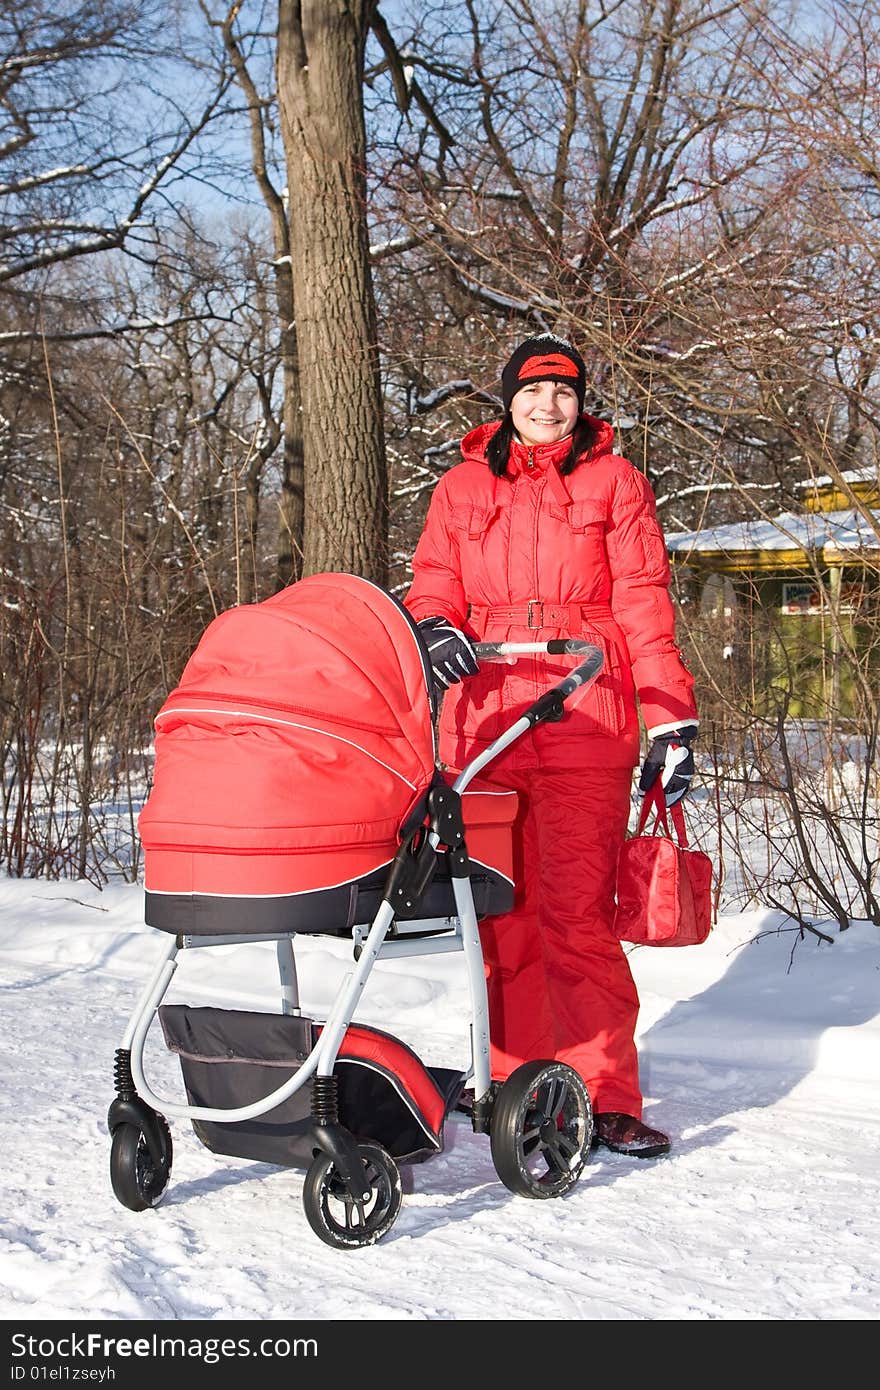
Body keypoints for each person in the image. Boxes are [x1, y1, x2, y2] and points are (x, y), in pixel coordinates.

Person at [403, 334, 698, 1158]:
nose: (547, 405)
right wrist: (432, 630)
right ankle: (517, 1084)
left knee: (576, 914)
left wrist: (668, 714)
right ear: (507, 400)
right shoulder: (462, 486)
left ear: (581, 403)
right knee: (501, 915)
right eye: (533, 391)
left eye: (563, 392)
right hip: (487, 719)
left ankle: (605, 1094)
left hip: (587, 711)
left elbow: (643, 600)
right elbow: (435, 583)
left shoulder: (615, 481)